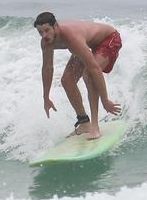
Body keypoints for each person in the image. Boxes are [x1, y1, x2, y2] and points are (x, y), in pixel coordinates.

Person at [34, 11, 122, 139]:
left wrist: (105, 100)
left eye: (47, 30)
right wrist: (46, 97)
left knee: (89, 75)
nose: (44, 35)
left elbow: (95, 69)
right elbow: (47, 68)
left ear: (56, 26)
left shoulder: (72, 37)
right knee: (67, 80)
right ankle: (84, 122)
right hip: (87, 44)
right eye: (40, 32)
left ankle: (95, 126)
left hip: (108, 39)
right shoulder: (46, 43)